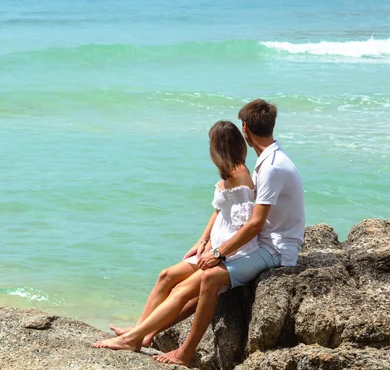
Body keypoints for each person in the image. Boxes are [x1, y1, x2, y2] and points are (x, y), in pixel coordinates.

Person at [154, 98, 305, 366]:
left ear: (245, 128)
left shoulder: (270, 168)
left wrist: (218, 253)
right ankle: (147, 333)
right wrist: (207, 242)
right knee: (182, 278)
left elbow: (255, 224)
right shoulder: (269, 161)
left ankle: (185, 351)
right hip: (264, 242)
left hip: (276, 251)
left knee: (209, 279)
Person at [93, 120, 258, 352]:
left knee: (182, 291)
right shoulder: (229, 172)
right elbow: (219, 212)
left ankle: (133, 339)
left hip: (230, 253)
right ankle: (141, 331)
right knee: (166, 275)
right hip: (214, 246)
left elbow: (245, 225)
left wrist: (218, 253)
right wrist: (202, 240)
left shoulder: (241, 176)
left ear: (218, 147)